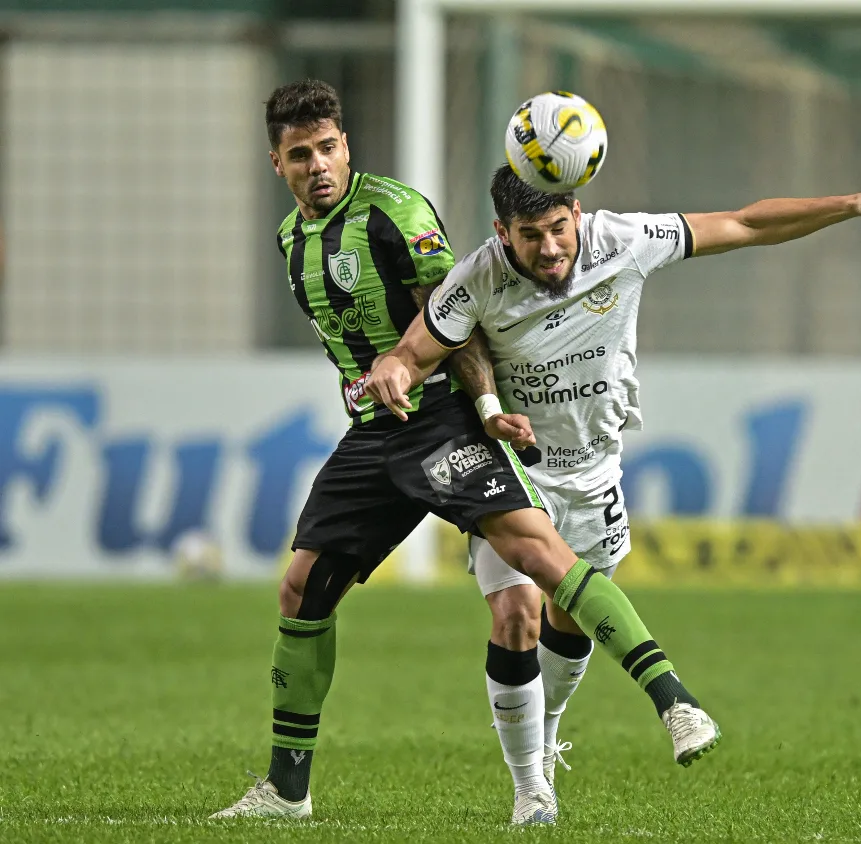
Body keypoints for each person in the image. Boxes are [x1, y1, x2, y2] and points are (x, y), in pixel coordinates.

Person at [212, 79, 720, 823]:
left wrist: (482, 406)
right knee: (301, 590)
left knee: (537, 561)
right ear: (277, 164)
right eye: (300, 155)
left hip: (443, 422)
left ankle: (672, 699)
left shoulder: (396, 213)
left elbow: (457, 323)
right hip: (375, 434)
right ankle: (287, 791)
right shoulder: (292, 239)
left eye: (326, 148)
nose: (317, 165)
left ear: (346, 146)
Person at [367, 163, 861, 821]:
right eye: (530, 235)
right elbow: (415, 351)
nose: (549, 248)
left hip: (594, 471)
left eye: (558, 228)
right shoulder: (476, 280)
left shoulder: (625, 240)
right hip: (515, 470)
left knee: (571, 620)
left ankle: (545, 738)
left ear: (577, 215)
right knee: (517, 614)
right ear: (502, 232)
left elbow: (745, 223)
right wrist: (393, 369)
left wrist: (855, 203)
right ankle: (532, 790)